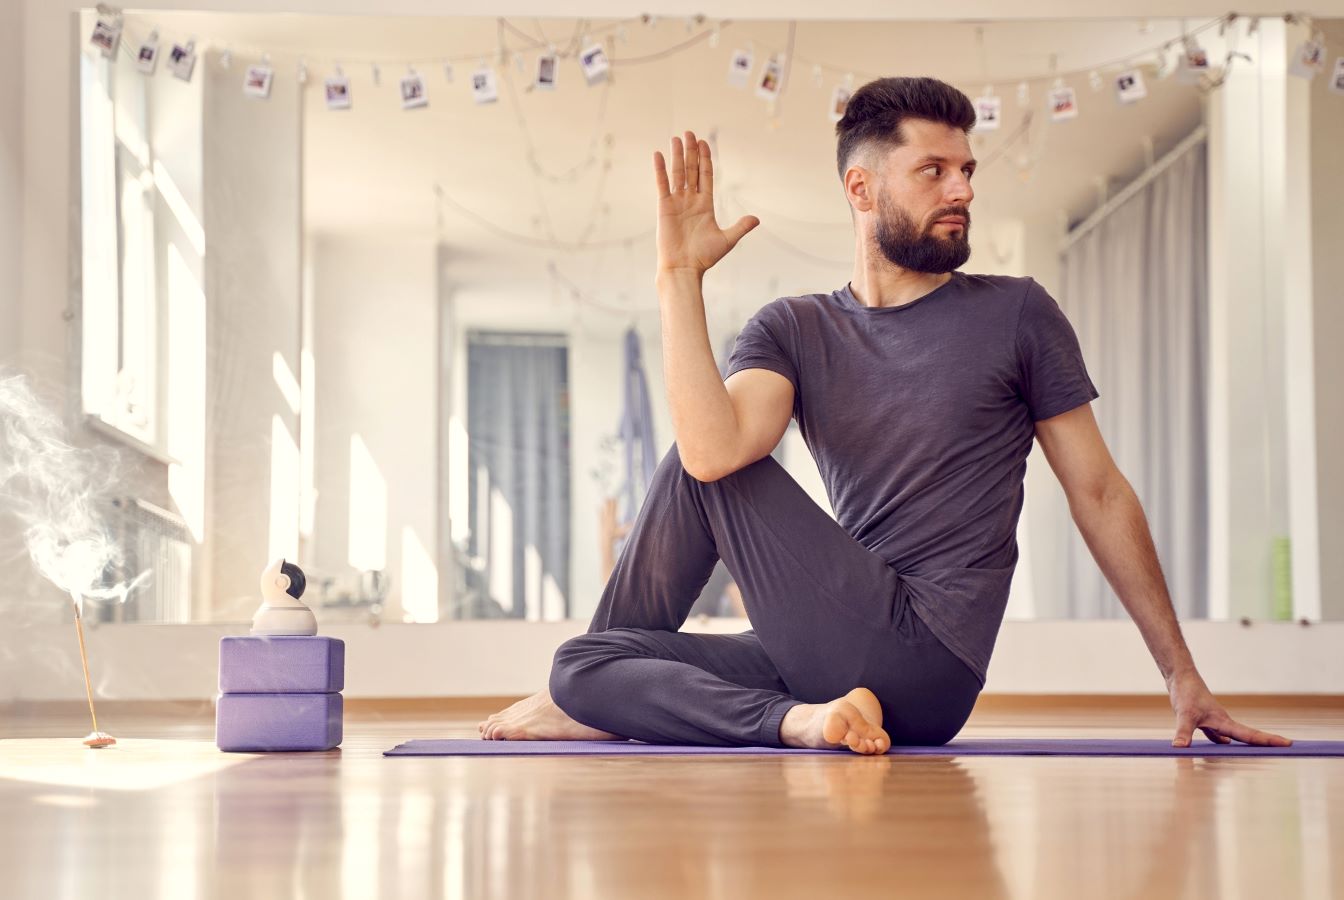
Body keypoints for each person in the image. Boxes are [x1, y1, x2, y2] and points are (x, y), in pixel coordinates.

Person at [479, 76, 1292, 754]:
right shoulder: (793, 328)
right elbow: (716, 443)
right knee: (583, 661)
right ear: (860, 189)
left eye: (968, 169)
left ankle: (600, 709)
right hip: (836, 654)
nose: (963, 189)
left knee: (698, 473)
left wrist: (1181, 673)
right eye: (934, 170)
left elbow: (1101, 493)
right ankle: (782, 719)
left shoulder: (1016, 314)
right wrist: (677, 279)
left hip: (930, 662)